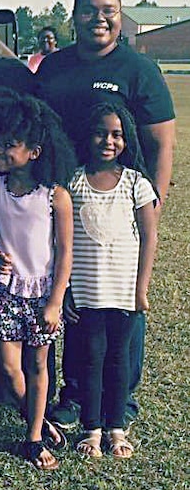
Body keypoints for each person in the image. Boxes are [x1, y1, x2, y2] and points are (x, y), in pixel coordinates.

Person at [36, 0, 175, 431]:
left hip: (121, 207)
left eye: (109, 10)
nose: (100, 18)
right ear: (73, 16)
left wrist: (150, 206)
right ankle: (75, 395)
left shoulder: (138, 70)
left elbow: (161, 144)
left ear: (120, 15)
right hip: (65, 202)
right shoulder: (53, 68)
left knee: (122, 307)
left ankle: (121, 399)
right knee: (73, 298)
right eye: (90, 10)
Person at [0, 91, 74, 470]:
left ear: (34, 152)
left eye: (10, 145)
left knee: (39, 365)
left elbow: (64, 252)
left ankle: (33, 437)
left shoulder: (55, 197)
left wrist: (54, 301)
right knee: (7, 366)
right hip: (4, 290)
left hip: (41, 293)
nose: (1, 150)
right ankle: (41, 419)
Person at [68, 103, 157, 459]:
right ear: (87, 136)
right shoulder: (72, 181)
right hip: (87, 292)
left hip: (124, 293)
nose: (108, 140)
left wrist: (141, 288)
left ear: (127, 138)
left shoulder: (136, 183)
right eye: (101, 132)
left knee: (119, 360)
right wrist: (65, 291)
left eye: (117, 134)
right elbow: (62, 240)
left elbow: (149, 238)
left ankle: (116, 428)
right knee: (90, 359)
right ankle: (91, 429)